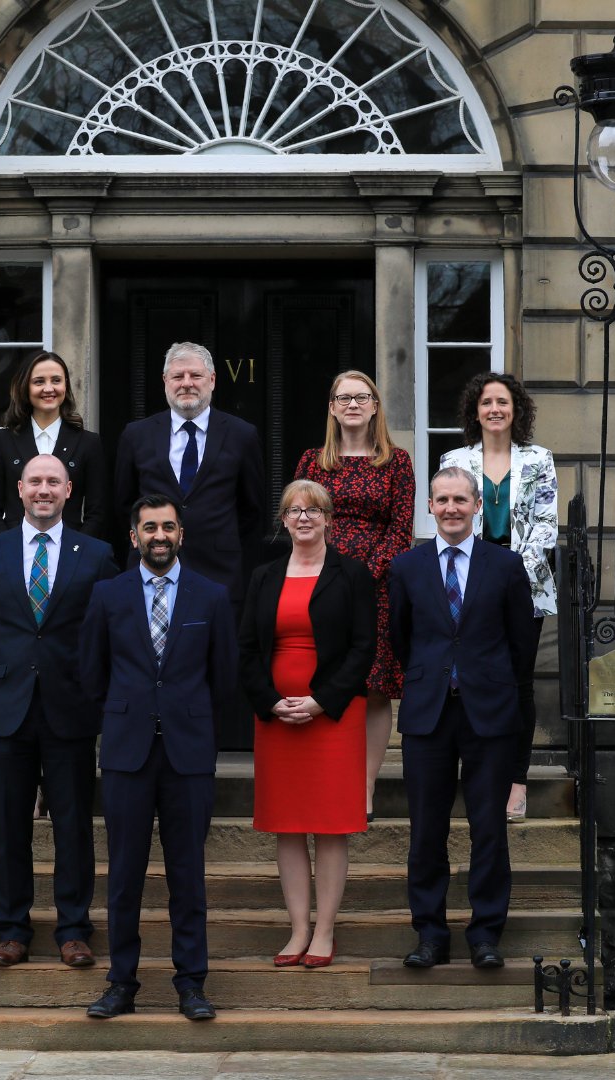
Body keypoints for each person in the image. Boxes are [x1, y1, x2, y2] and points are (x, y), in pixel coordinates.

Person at [79, 495, 238, 1021]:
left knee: (187, 875)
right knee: (124, 875)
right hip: (127, 752)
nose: (160, 535)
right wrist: (123, 715)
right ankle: (121, 983)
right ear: (134, 537)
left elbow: (224, 678)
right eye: (149, 527)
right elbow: (91, 673)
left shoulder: (211, 596)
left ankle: (191, 984)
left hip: (187, 754)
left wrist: (191, 721)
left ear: (181, 534)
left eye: (168, 526)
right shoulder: (108, 594)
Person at [0, 454, 119, 970]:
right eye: (35, 481)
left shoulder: (96, 555)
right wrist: (1, 675)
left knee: (73, 824)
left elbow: (108, 631)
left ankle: (73, 930)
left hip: (71, 707)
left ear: (69, 490)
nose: (43, 489)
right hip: (8, 708)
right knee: (9, 826)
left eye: (54, 481)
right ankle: (11, 930)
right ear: (20, 489)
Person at [388, 467, 532, 970]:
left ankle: (485, 934)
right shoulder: (406, 567)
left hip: (488, 712)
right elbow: (402, 638)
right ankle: (430, 934)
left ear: (477, 506)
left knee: (488, 827)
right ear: (430, 506)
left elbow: (520, 646)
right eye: (442, 500)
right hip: (428, 712)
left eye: (460, 500)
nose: (451, 508)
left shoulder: (506, 565)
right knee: (426, 829)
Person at [239, 480, 375, 969]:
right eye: (294, 510)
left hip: (333, 717)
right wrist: (271, 702)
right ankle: (297, 928)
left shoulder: (352, 573)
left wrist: (320, 702)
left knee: (330, 826)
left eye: (313, 510)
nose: (303, 518)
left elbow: (364, 648)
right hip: (277, 720)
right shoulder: (264, 575)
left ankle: (324, 930)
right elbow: (247, 648)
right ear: (283, 520)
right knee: (288, 826)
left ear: (328, 519)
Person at [294, 370, 414, 819]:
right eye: (343, 398)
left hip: (376, 586)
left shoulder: (396, 462)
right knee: (322, 677)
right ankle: (326, 775)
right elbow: (299, 516)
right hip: (319, 581)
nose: (353, 405)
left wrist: (363, 575)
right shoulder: (313, 462)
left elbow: (401, 529)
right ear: (332, 407)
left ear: (375, 405)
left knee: (374, 688)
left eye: (362, 397)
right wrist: (326, 572)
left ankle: (364, 786)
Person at [440, 372, 558, 823]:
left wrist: (504, 578)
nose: (495, 409)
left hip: (524, 588)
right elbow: (450, 520)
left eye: (503, 402)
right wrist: (480, 580)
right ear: (475, 411)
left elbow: (545, 526)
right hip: (464, 588)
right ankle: (477, 778)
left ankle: (515, 781)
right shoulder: (454, 459)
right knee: (469, 680)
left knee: (518, 684)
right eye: (486, 402)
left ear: (516, 409)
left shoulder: (539, 458)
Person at [113, 341, 264, 604]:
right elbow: (124, 505)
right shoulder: (136, 435)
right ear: (165, 381)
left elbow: (252, 510)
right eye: (177, 376)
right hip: (151, 569)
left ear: (212, 380)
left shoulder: (242, 435)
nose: (186, 383)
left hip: (220, 573)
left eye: (195, 375)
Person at [0, 349, 108, 539]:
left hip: (71, 548)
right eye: (39, 381)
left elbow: (97, 512)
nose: (49, 389)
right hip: (14, 548)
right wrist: (7, 548)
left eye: (56, 380)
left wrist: (78, 549)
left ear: (66, 385)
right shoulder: (3, 440)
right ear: (25, 386)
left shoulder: (88, 443)